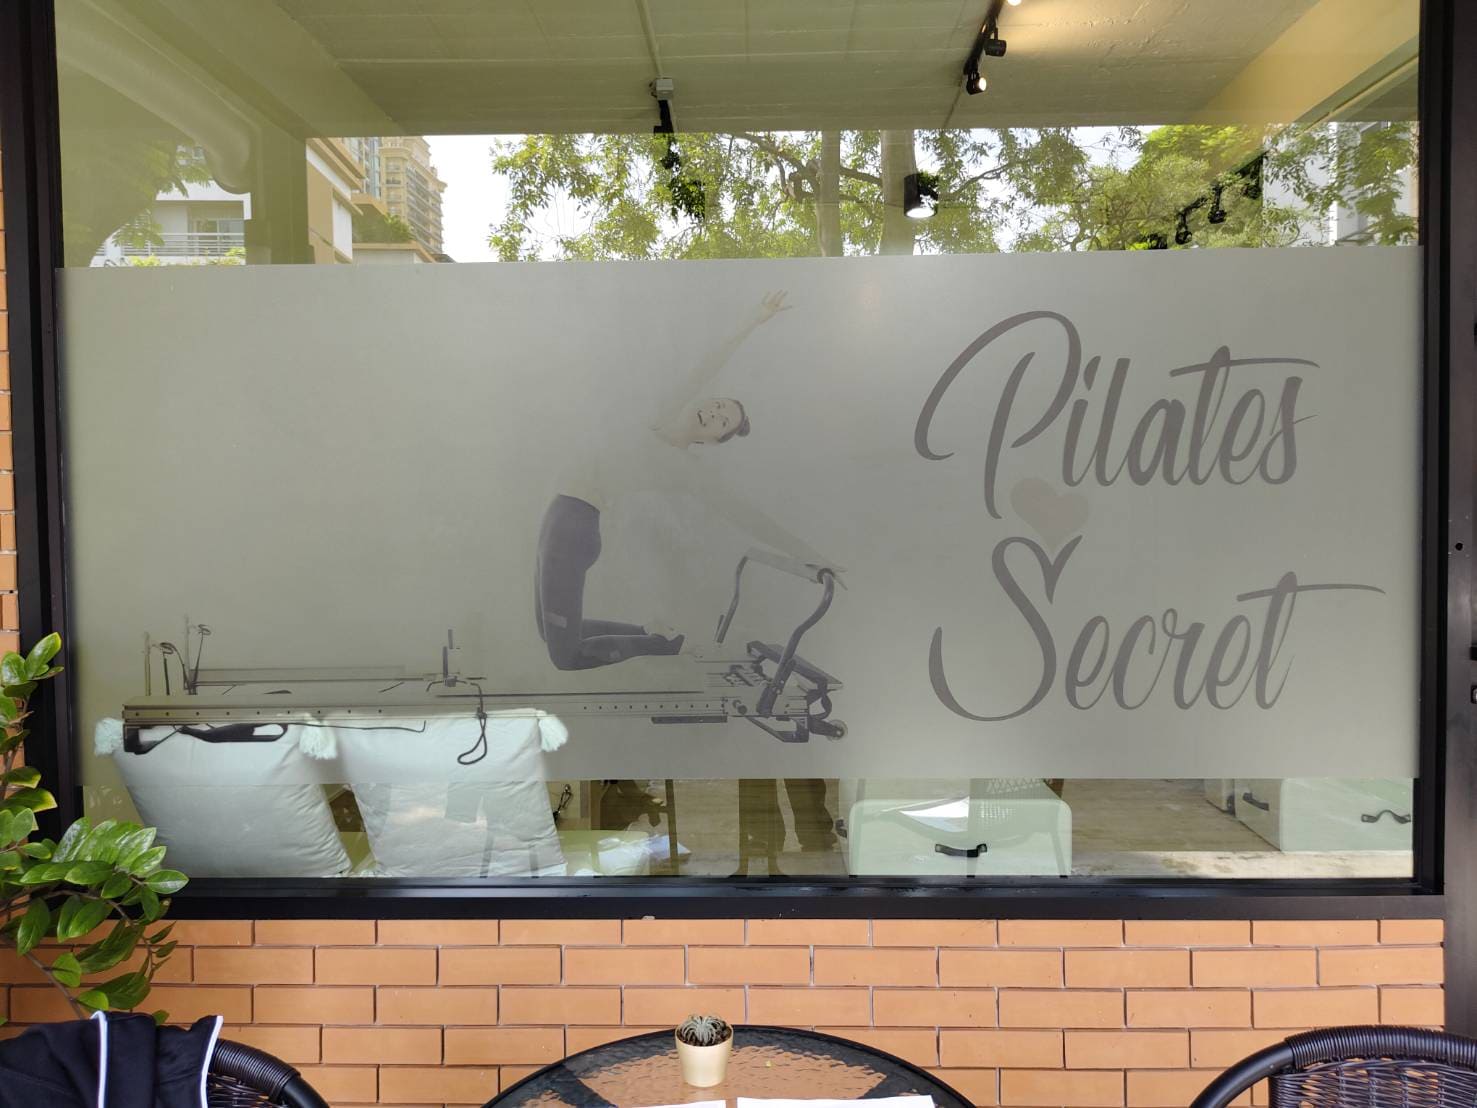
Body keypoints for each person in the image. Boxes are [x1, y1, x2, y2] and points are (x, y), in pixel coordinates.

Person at [534, 290, 840, 672]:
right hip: (556, 518)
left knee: (565, 657)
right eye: (718, 406)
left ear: (713, 440)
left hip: (573, 531)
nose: (714, 414)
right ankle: (652, 634)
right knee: (547, 631)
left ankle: (664, 646)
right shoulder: (662, 415)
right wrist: (752, 320)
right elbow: (709, 364)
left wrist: (813, 556)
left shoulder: (688, 472)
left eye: (722, 422)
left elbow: (750, 518)